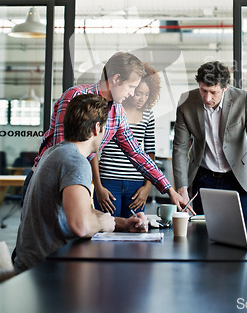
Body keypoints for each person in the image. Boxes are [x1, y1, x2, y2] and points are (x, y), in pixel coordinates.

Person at [27, 52, 188, 211]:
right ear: (116, 79)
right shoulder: (76, 96)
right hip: (47, 182)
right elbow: (62, 151)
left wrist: (169, 190)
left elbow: (136, 153)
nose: (132, 93)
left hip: (73, 182)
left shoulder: (117, 111)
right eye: (131, 86)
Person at [14, 94, 148, 274]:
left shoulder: (54, 153)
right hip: (47, 273)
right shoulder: (76, 161)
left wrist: (123, 224)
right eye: (105, 128)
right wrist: (102, 225)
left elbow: (79, 210)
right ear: (96, 128)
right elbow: (81, 225)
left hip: (33, 266)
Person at [172, 61, 247, 219]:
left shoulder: (244, 100)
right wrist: (181, 187)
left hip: (238, 178)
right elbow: (180, 148)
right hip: (203, 178)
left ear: (225, 88)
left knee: (242, 232)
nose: (208, 98)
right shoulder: (186, 102)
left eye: (213, 92)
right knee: (201, 233)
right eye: (203, 90)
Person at [94, 63, 161, 217]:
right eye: (138, 93)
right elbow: (94, 150)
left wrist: (147, 187)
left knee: (135, 231)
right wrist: (97, 186)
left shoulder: (148, 115)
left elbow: (149, 152)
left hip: (136, 185)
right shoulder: (112, 110)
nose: (142, 99)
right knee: (107, 231)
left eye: (146, 94)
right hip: (109, 181)